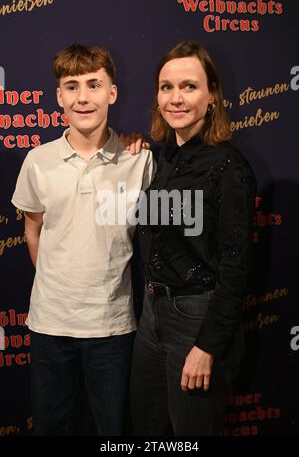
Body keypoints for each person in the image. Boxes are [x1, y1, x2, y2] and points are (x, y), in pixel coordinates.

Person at [11, 43, 155, 436]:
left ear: (112, 92)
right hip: (49, 326)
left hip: (113, 327)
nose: (83, 97)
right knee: (50, 426)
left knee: (114, 429)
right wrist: (59, 285)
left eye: (94, 85)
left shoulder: (139, 159)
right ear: (59, 97)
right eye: (72, 86)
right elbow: (33, 229)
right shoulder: (37, 161)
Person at [130, 41, 257, 436]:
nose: (176, 98)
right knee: (147, 430)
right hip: (151, 315)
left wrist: (207, 347)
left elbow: (236, 268)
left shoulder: (228, 167)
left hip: (197, 320)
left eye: (188, 86)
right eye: (166, 87)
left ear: (212, 96)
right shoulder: (163, 157)